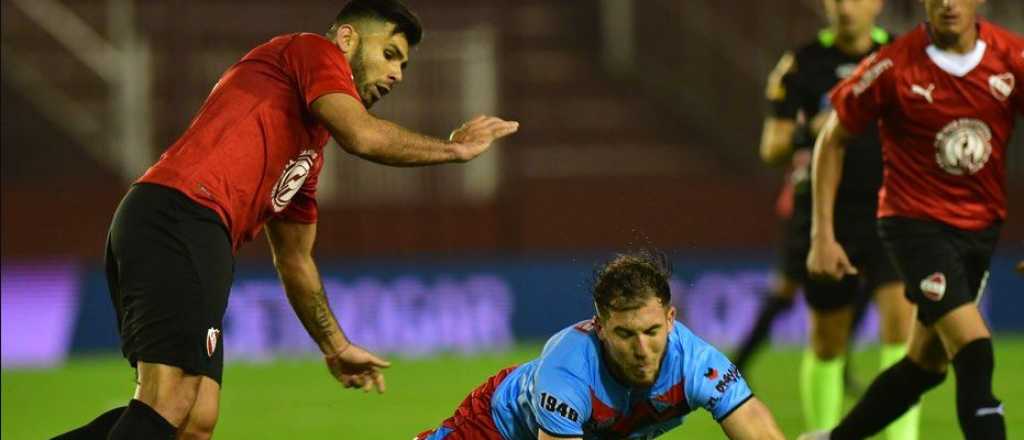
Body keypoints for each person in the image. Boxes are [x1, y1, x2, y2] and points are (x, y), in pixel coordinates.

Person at [53, 1, 519, 439]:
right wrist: (454, 149)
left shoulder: (306, 156)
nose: (397, 73)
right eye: (390, 54)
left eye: (404, 65)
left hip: (185, 229)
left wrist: (335, 345)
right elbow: (362, 136)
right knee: (170, 400)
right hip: (182, 215)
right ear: (348, 39)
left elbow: (295, 260)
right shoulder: (309, 50)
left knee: (195, 418)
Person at [801, 0, 1023, 438]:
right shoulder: (892, 66)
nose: (946, 3)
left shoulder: (1012, 58)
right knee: (974, 349)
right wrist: (821, 234)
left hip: (980, 231)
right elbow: (832, 138)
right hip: (913, 225)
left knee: (926, 364)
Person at [744, 1, 919, 437]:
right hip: (825, 214)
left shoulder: (902, 56)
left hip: (890, 208)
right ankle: (824, 433)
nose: (846, 8)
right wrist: (812, 128)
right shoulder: (802, 64)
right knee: (828, 338)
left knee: (901, 328)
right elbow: (771, 149)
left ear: (878, 3)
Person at [416, 251, 785, 440]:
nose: (643, 349)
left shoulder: (697, 364)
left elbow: (755, 426)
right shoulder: (567, 370)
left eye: (653, 331)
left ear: (672, 319)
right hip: (497, 429)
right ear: (601, 328)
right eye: (626, 334)